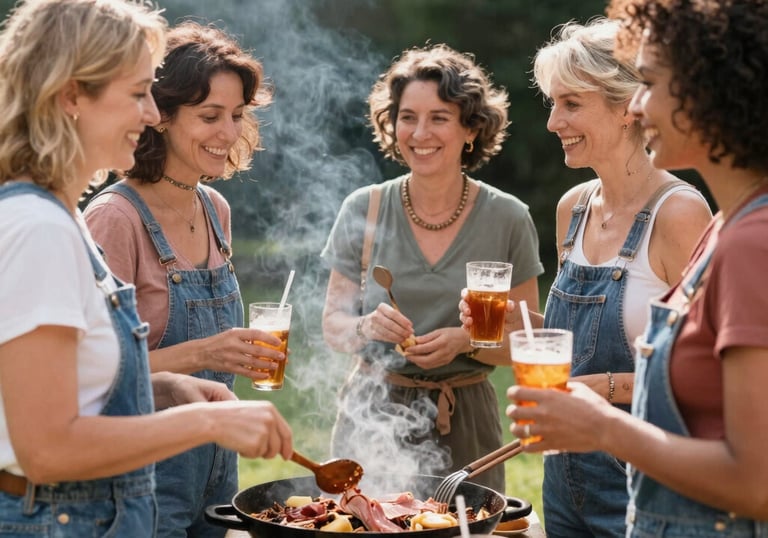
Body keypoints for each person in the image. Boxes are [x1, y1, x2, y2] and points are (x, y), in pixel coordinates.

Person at [0, 1, 293, 537]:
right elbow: (44, 449)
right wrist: (207, 420)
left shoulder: (54, 217)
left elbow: (86, 389)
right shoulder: (40, 227)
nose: (152, 114)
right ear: (71, 96)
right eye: (138, 93)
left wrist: (170, 390)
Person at [506, 0, 768, 536]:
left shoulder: (742, 240)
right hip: (576, 488)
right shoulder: (725, 227)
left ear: (706, 92)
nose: (640, 105)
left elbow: (756, 482)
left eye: (650, 84)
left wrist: (603, 425)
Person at [461, 18, 711, 537]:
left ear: (626, 108)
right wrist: (518, 323)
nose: (553, 122)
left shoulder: (680, 214)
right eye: (554, 103)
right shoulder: (573, 208)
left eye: (571, 104)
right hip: (563, 475)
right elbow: (575, 339)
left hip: (642, 482)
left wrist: (604, 389)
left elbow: (708, 380)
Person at [83, 21, 278, 537]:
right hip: (141, 479)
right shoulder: (114, 218)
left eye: (236, 116)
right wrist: (204, 353)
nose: (229, 133)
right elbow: (92, 378)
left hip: (217, 476)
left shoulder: (215, 208)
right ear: (160, 115)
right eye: (209, 116)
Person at [321, 43, 544, 494]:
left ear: (471, 129)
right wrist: (365, 326)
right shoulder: (362, 208)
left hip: (466, 423)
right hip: (371, 413)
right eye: (408, 117)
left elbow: (528, 345)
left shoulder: (509, 218)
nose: (420, 132)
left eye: (439, 117)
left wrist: (467, 341)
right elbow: (333, 326)